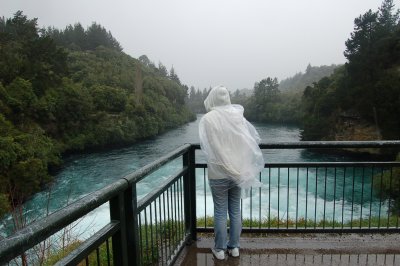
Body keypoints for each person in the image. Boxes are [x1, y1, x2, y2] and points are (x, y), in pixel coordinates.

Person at [198, 85, 264, 260]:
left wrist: (226, 166)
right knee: (235, 210)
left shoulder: (208, 119)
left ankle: (219, 250)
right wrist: (238, 169)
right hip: (238, 173)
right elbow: (246, 144)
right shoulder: (237, 116)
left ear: (212, 98)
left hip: (218, 173)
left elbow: (212, 148)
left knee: (220, 211)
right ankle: (234, 248)